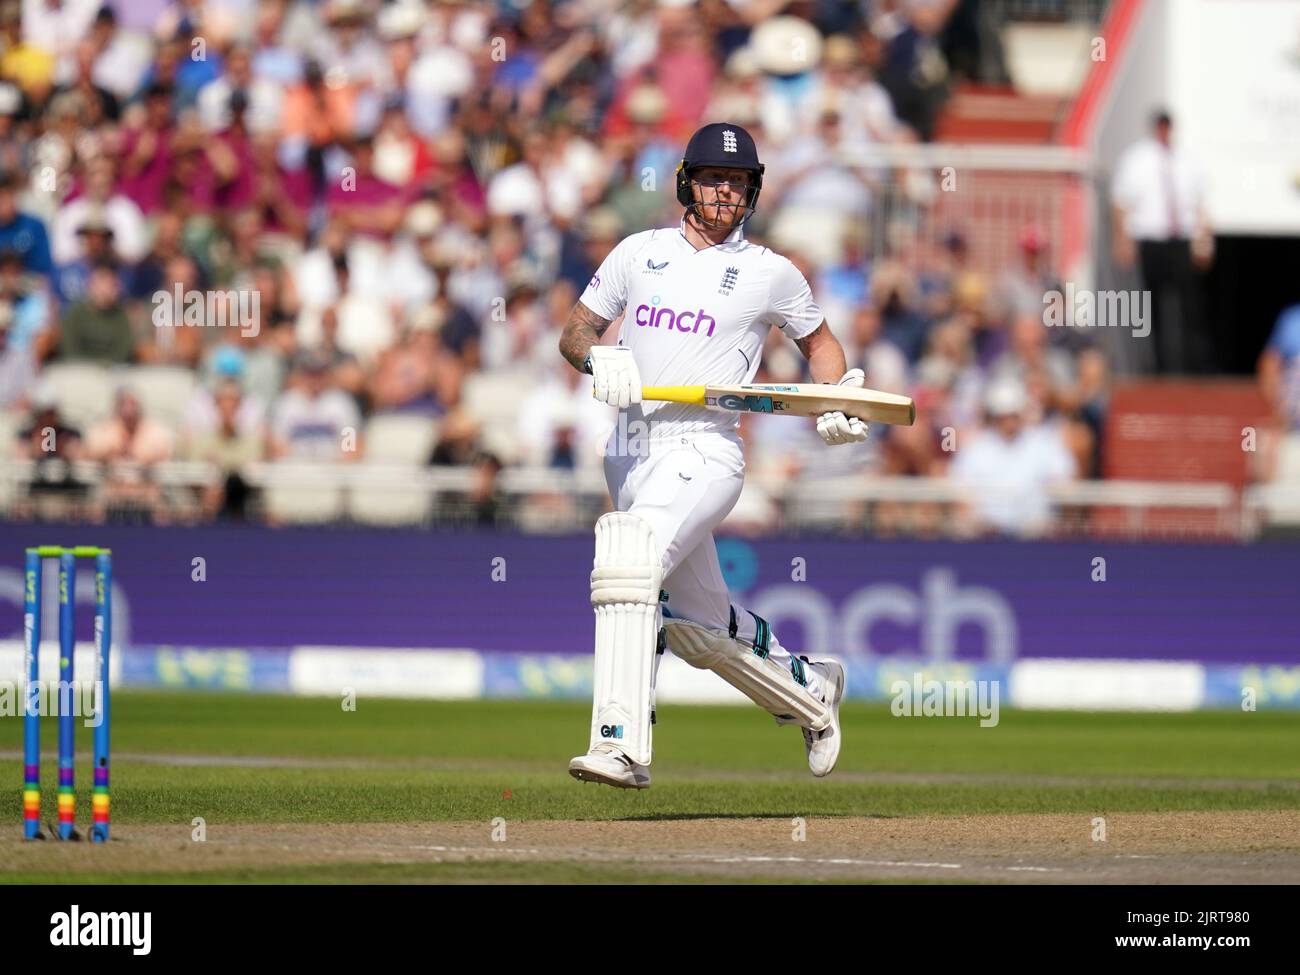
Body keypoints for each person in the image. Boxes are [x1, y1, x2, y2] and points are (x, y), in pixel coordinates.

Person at [557, 122, 864, 789]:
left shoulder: (769, 271)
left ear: (752, 192)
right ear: (686, 184)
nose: (724, 193)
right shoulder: (639, 253)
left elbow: (822, 344)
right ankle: (812, 690)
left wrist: (836, 397)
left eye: (737, 182)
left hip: (705, 448)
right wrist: (597, 357)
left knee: (629, 562)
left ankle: (621, 743)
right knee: (700, 628)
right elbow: (575, 332)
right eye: (713, 179)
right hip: (631, 450)